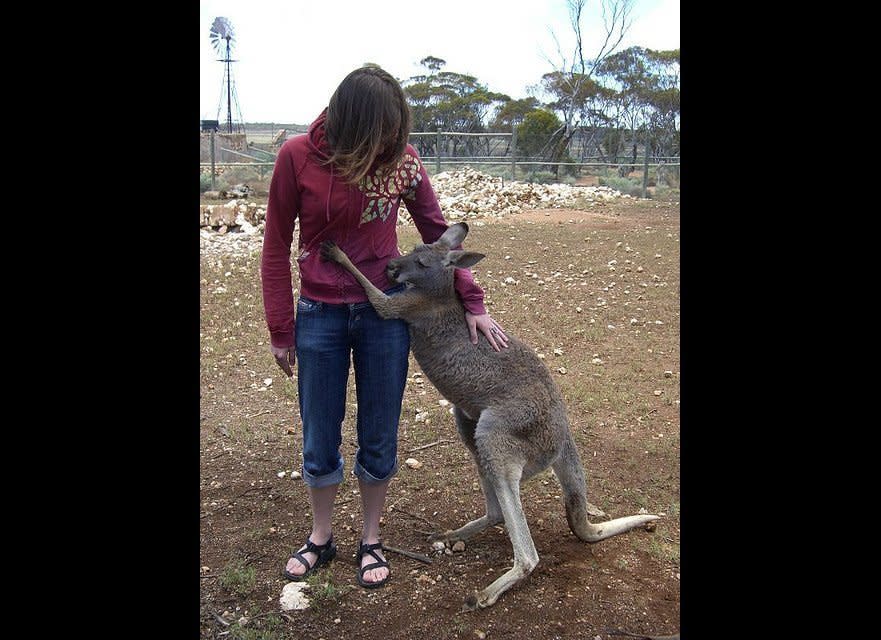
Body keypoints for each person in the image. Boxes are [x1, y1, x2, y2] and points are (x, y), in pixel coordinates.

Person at [260, 64, 509, 589]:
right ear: (355, 124)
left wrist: (474, 301)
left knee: (379, 431)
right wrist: (281, 328)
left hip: (383, 317)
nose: (394, 141)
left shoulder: (402, 163)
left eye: (399, 132)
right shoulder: (296, 157)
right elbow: (275, 244)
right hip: (319, 315)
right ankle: (321, 537)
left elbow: (440, 238)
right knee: (319, 431)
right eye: (385, 131)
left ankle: (370, 538)